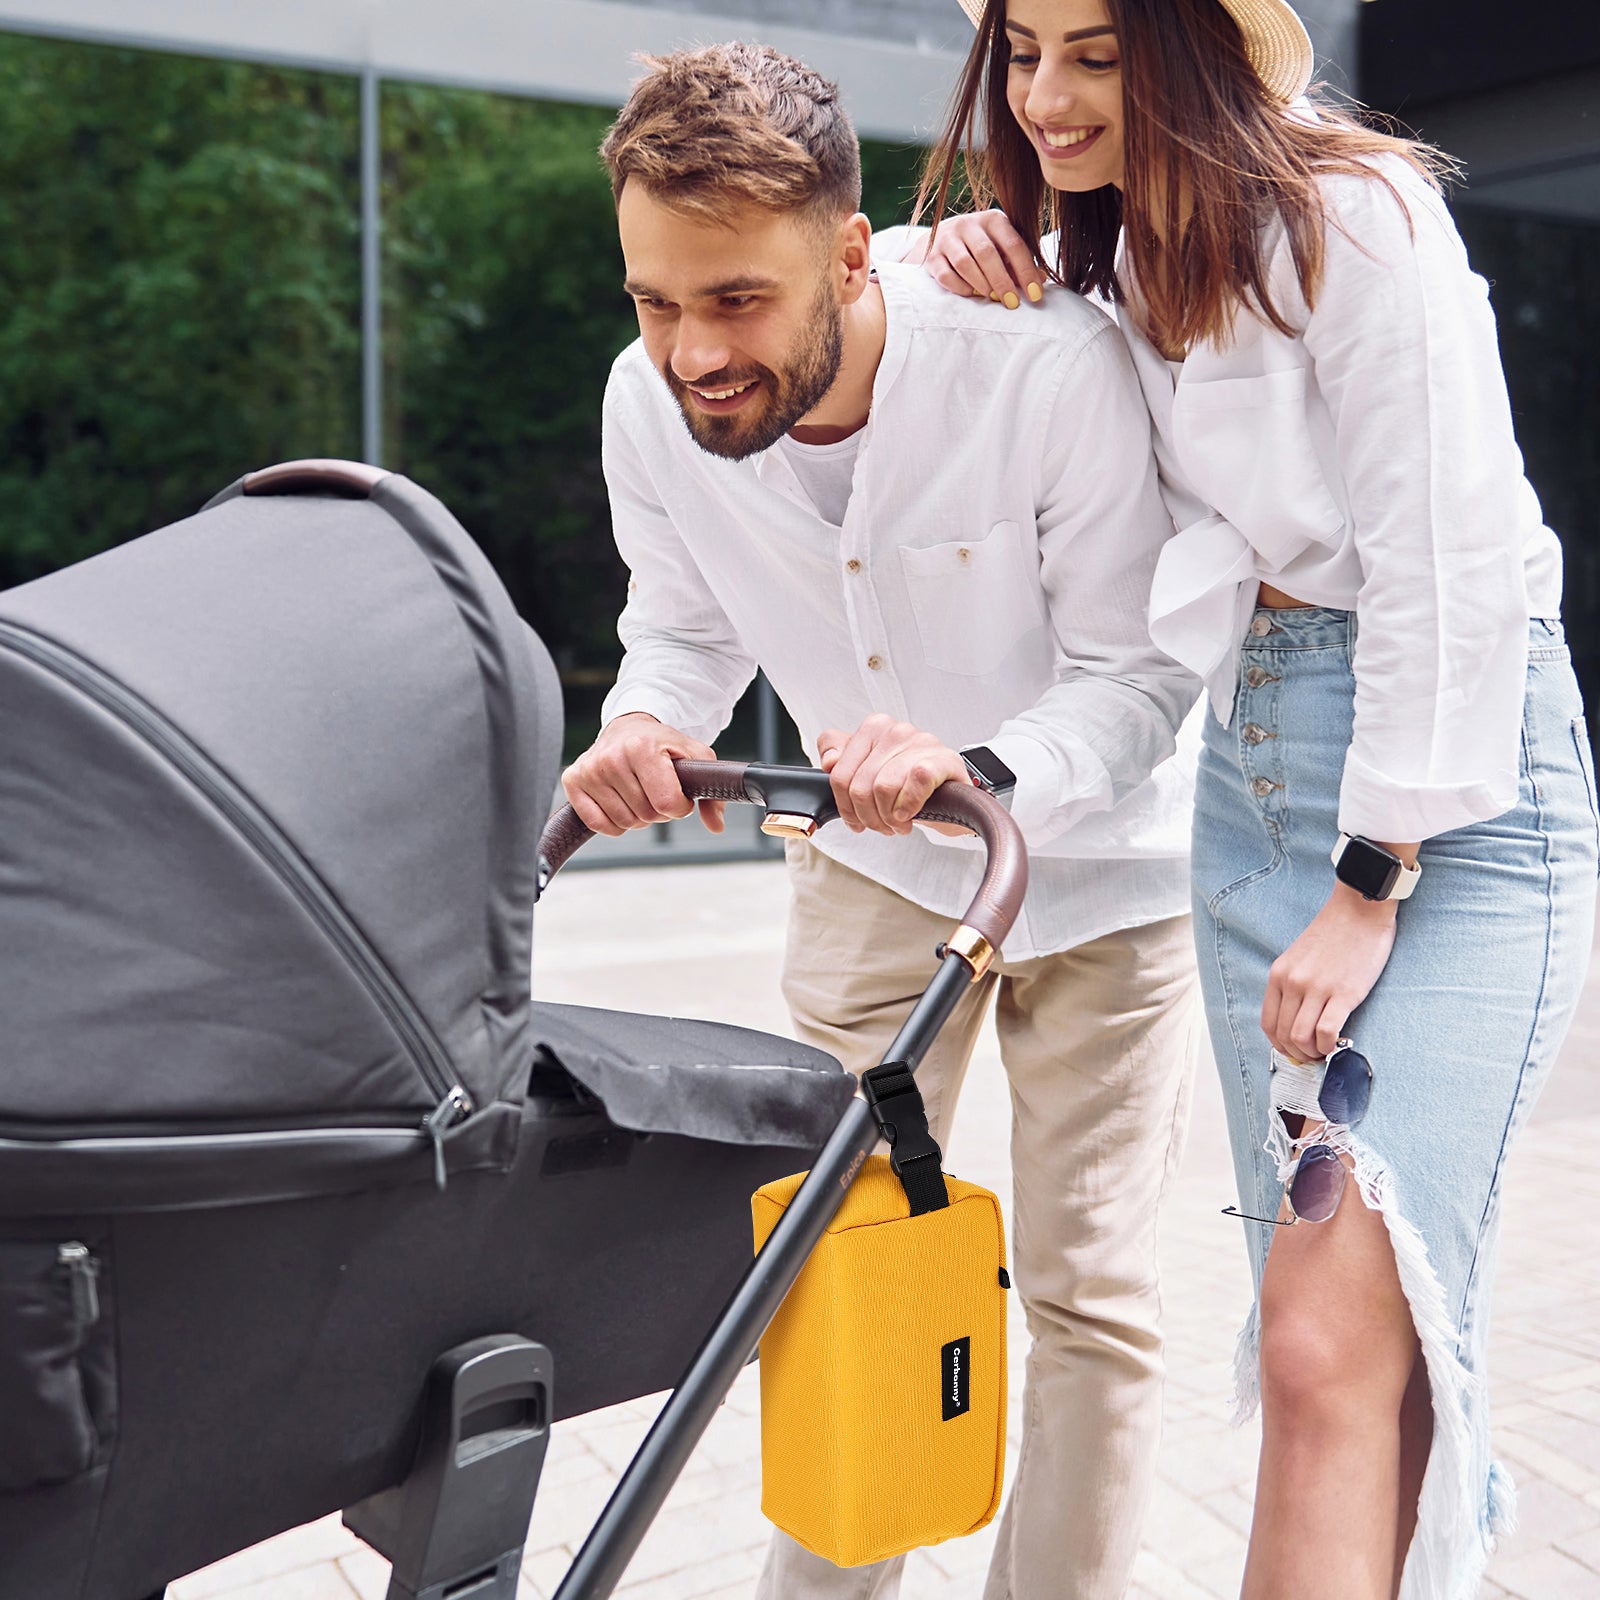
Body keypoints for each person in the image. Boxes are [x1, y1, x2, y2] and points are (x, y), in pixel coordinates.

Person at [893, 2, 1600, 1597]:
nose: (1046, 94)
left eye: (1094, 51)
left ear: (1189, 52)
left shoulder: (1351, 214)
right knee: (1334, 1351)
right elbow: (808, 290)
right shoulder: (1106, 259)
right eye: (1021, 54)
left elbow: (1450, 561)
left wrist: (1370, 882)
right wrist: (941, 260)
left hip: (1447, 805)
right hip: (1254, 765)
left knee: (1326, 1338)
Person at [563, 42, 1204, 1600]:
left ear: (852, 254)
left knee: (1090, 1296)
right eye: (655, 301)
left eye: (735, 301)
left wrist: (972, 760)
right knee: (837, 1260)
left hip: (1104, 876)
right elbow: (683, 620)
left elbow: (1140, 678)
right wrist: (647, 723)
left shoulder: (1039, 369)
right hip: (869, 879)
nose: (691, 350)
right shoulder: (648, 408)